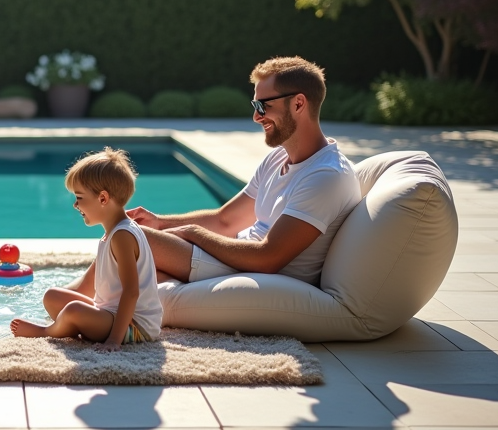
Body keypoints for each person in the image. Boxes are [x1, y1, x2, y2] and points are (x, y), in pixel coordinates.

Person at [130, 56, 361, 286]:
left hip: (258, 274)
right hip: (235, 258)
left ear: (298, 104)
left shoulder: (325, 175)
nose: (256, 117)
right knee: (133, 271)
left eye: (264, 106)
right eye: (255, 105)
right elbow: (225, 220)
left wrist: (193, 233)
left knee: (129, 239)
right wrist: (160, 222)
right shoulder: (278, 157)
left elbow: (269, 258)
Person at [10, 147, 162, 348]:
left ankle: (46, 331)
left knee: (73, 311)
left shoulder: (123, 236)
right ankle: (71, 325)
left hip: (134, 326)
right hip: (110, 312)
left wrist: (114, 340)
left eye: (79, 197)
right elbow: (94, 286)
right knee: (52, 296)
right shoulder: (111, 234)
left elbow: (131, 292)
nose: (75, 205)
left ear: (102, 199)